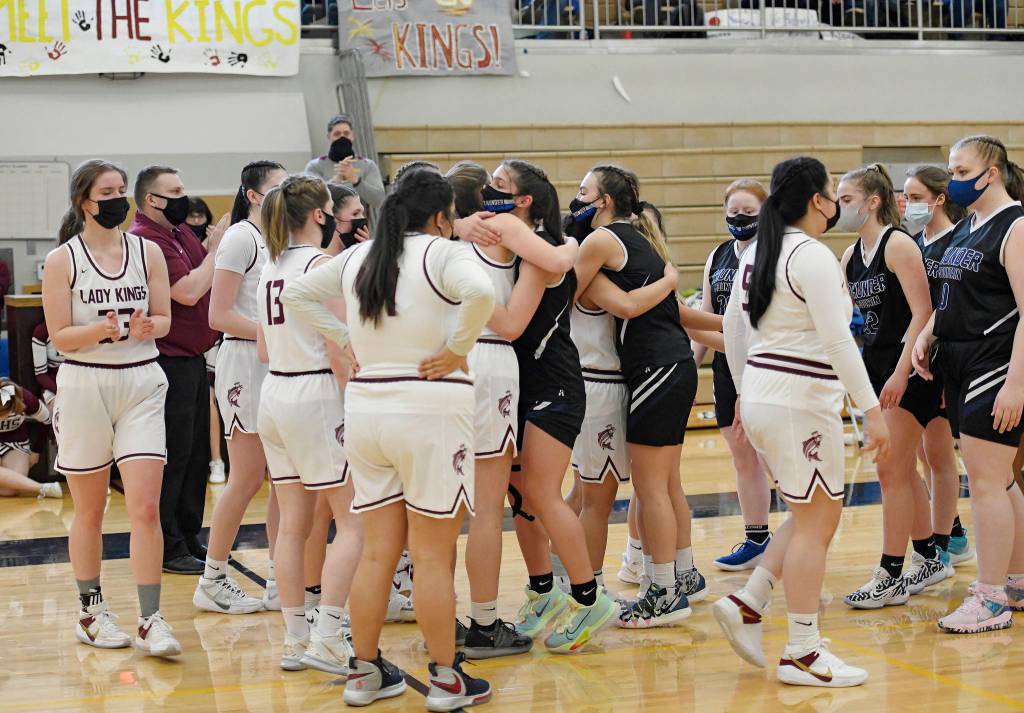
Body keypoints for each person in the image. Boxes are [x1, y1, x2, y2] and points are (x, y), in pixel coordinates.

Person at [282, 169, 495, 710]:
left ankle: (363, 671)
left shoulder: (359, 256)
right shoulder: (444, 253)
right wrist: (457, 347)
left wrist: (343, 339)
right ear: (442, 213)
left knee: (378, 551)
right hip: (429, 406)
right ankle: (446, 678)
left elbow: (297, 295)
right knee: (430, 553)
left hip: (367, 408)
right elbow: (482, 293)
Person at [714, 155, 890, 687]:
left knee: (807, 511)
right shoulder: (811, 254)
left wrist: (745, 393)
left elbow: (732, 331)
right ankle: (803, 652)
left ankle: (751, 600)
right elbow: (838, 342)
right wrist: (872, 408)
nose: (836, 199)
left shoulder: (756, 252)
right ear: (817, 200)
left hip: (768, 393)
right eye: (833, 190)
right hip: (798, 397)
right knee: (820, 522)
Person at [42, 158, 181, 656]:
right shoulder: (63, 260)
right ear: (85, 201)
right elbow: (60, 336)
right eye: (108, 191)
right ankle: (91, 610)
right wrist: (102, 329)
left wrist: (148, 328)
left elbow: (164, 318)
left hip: (141, 380)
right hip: (85, 385)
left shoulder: (147, 253)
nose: (118, 198)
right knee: (91, 509)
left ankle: (151, 618)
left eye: (122, 189)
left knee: (145, 507)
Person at [480, 159, 618, 652]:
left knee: (541, 492)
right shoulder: (517, 244)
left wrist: (465, 297)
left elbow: (517, 320)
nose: (487, 191)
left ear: (524, 202)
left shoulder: (546, 251)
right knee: (520, 495)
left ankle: (589, 598)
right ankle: (543, 591)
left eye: (498, 185)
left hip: (554, 385)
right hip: (516, 385)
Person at [445, 160, 581, 659]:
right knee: (486, 509)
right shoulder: (501, 226)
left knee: (438, 508)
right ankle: (484, 623)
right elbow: (557, 262)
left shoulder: (433, 238)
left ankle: (438, 614)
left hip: (436, 365)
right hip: (487, 359)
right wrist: (572, 243)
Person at [570, 164, 705, 628]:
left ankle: (663, 592)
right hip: (669, 365)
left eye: (584, 192)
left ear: (604, 201)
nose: (577, 198)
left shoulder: (602, 241)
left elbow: (570, 288)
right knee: (663, 486)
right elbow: (671, 313)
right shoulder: (639, 243)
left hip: (653, 369)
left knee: (651, 490)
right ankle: (675, 581)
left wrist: (669, 283)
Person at [253, 174, 364, 675]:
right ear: (322, 215)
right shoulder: (324, 265)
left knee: (293, 524)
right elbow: (342, 350)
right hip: (316, 393)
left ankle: (296, 637)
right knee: (354, 519)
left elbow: (260, 347)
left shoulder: (270, 266)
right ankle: (328, 634)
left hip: (274, 390)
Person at [912, 135, 1024, 634]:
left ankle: (990, 597)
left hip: (995, 364)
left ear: (992, 172)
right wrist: (926, 335)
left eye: (961, 171)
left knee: (983, 483)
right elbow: (950, 298)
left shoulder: (1015, 226)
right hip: (957, 361)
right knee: (998, 480)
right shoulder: (968, 227)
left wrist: (1016, 385)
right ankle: (1015, 579)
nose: (953, 180)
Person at [837, 164, 943, 609]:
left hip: (912, 365)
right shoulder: (848, 255)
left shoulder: (897, 245)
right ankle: (928, 555)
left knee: (889, 470)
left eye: (845, 200)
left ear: (873, 201)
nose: (839, 208)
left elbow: (923, 312)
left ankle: (892, 573)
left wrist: (902, 372)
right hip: (876, 365)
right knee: (901, 469)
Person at [194, 161, 287, 615]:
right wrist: (275, 334)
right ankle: (212, 577)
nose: (285, 193)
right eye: (277, 187)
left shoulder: (280, 239)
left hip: (277, 362)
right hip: (245, 360)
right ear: (252, 194)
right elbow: (218, 316)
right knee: (247, 476)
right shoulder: (240, 237)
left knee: (282, 479)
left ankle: (278, 577)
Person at [129, 165, 226, 574]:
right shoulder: (145, 240)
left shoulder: (179, 231)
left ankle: (188, 537)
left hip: (192, 359)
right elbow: (187, 291)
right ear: (152, 199)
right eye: (176, 190)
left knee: (195, 454)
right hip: (165, 360)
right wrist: (217, 249)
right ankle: (167, 546)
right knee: (172, 456)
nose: (184, 196)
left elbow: (206, 276)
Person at [693, 179, 774, 572]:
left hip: (763, 366)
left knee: (774, 458)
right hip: (727, 368)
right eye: (733, 214)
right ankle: (757, 537)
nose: (740, 220)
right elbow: (709, 315)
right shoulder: (719, 255)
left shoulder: (771, 257)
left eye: (749, 214)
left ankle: (806, 533)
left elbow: (760, 329)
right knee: (743, 457)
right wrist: (691, 364)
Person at [902, 165, 973, 566]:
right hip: (919, 357)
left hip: (947, 358)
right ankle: (952, 529)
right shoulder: (914, 242)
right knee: (924, 455)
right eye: (906, 197)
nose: (909, 205)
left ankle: (943, 543)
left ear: (939, 198)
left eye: (915, 197)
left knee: (938, 454)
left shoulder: (956, 242)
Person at [304, 114, 386, 212]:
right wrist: (336, 181)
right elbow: (308, 199)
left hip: (358, 224)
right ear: (328, 136)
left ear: (352, 136)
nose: (342, 138)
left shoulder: (367, 165)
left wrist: (356, 181)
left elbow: (379, 200)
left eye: (346, 133)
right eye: (337, 134)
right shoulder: (315, 166)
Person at [0, 377, 60, 499]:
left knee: (9, 491)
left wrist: (37, 451)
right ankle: (42, 488)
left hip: (15, 443)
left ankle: (47, 488)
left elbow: (47, 420)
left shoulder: (26, 398)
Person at [325, 183, 371, 255]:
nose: (362, 218)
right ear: (333, 219)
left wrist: (364, 253)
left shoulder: (354, 255)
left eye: (362, 213)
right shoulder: (320, 261)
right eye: (355, 214)